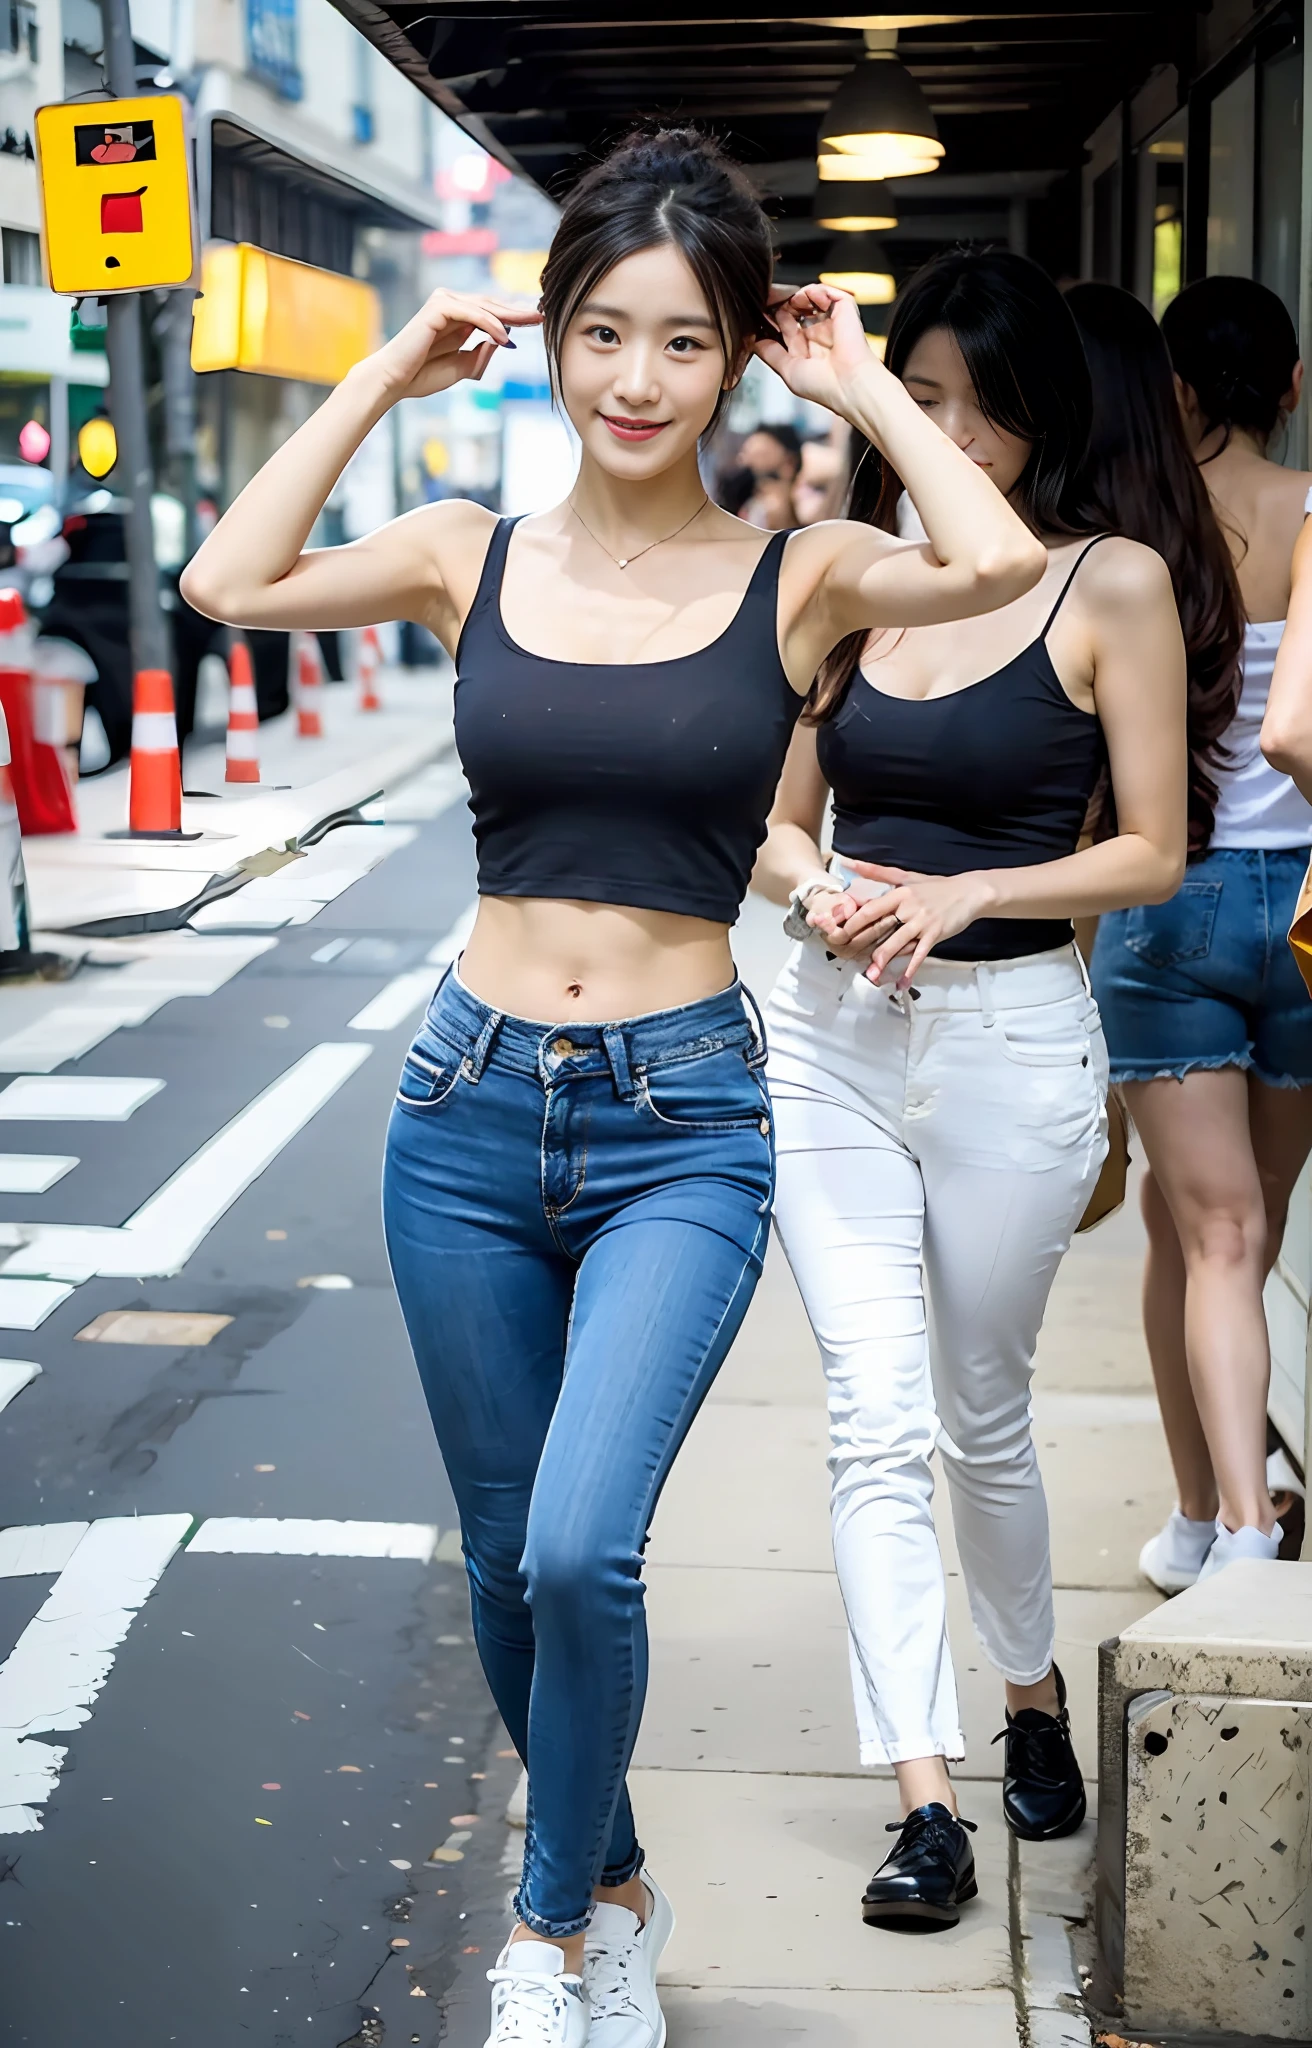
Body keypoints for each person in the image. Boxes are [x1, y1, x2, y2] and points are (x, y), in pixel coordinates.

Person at [179, 131, 1045, 2048]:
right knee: (505, 1560)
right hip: (464, 1109)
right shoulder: (461, 555)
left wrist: (865, 389)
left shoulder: (803, 570)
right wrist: (386, 374)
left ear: (735, 354)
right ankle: (626, 1881)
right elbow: (223, 576)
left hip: (683, 1121)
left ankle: (547, 1937)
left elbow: (994, 557)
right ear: (556, 343)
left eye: (678, 342)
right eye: (599, 335)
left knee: (585, 1542)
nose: (634, 380)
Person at [752, 246, 1187, 1932]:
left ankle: (1029, 1696)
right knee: (870, 1419)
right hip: (830, 1043)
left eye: (974, 401)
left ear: (1036, 412)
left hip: (1012, 1045)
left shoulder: (1114, 583)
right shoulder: (848, 575)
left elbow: (1151, 851)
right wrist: (825, 893)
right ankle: (925, 1793)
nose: (950, 428)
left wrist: (965, 895)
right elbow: (777, 818)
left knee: (976, 1414)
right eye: (919, 395)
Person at [1092, 275, 1312, 1590]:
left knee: (1193, 1236)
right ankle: (1217, 1519)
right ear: (1289, 385)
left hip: (1163, 903)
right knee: (1236, 1237)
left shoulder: (1136, 531)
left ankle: (1223, 1527)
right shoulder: (1310, 511)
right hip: (1293, 914)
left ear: (1176, 388)